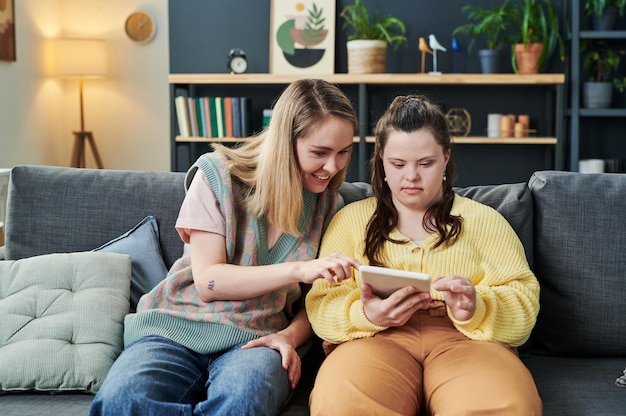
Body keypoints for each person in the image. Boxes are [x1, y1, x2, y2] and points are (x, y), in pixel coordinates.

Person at [90, 78, 360, 416]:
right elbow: (209, 281)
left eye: (343, 152)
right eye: (319, 153)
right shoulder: (217, 175)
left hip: (257, 338)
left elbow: (319, 300)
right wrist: (297, 269)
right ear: (284, 144)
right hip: (176, 327)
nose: (333, 168)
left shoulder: (328, 205)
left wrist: (290, 337)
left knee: (243, 404)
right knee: (122, 402)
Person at [305, 94, 542, 415]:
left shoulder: (484, 220)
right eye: (398, 164)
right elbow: (320, 304)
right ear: (381, 160)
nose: (411, 177)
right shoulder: (350, 221)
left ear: (446, 159)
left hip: (466, 341)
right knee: (343, 404)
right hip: (372, 340)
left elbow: (525, 303)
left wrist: (477, 306)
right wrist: (368, 314)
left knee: (505, 406)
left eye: (425, 164)